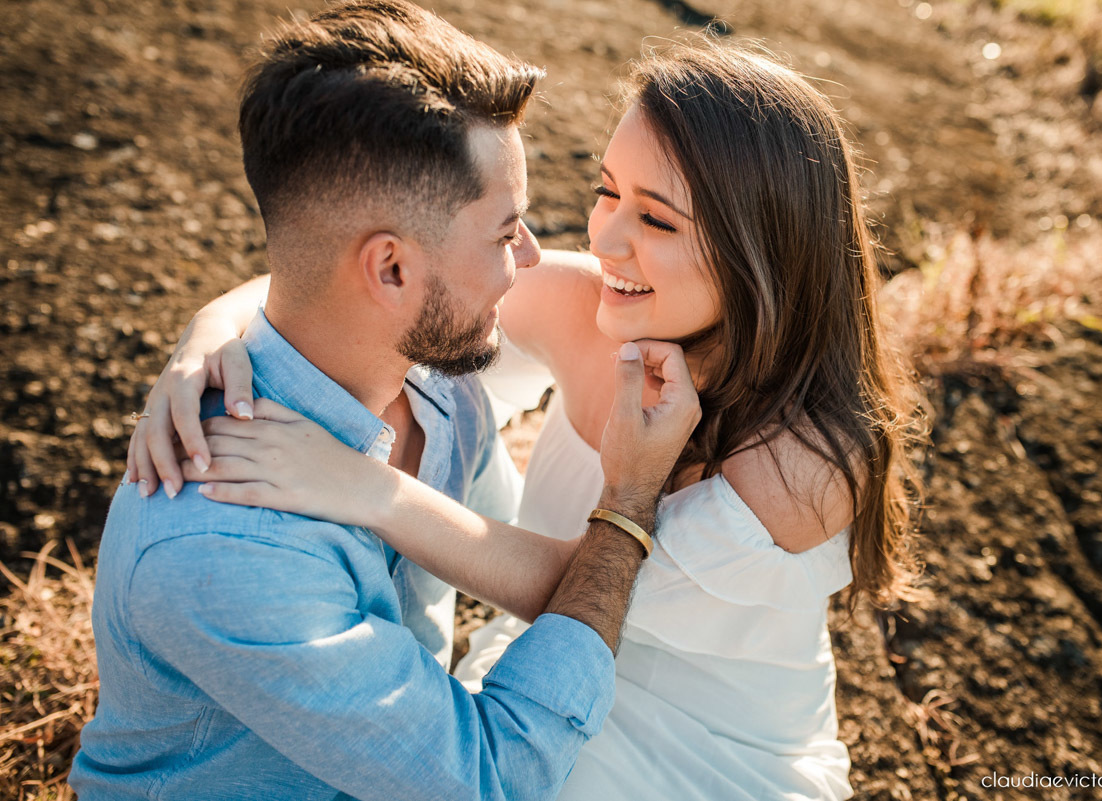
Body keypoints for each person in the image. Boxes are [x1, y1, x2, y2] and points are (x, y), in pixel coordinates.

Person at [134, 38, 925, 801]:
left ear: (763, 252)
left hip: (703, 751)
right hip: (549, 675)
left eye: (656, 220)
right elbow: (354, 280)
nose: (605, 238)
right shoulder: (594, 307)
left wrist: (365, 488)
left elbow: (588, 587)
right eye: (607, 191)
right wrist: (206, 334)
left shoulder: (807, 461)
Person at [69, 3, 702, 800]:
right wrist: (630, 498)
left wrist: (216, 321)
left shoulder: (442, 384)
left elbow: (534, 565)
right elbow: (492, 778)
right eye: (506, 233)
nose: (534, 256)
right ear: (393, 271)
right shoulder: (228, 538)